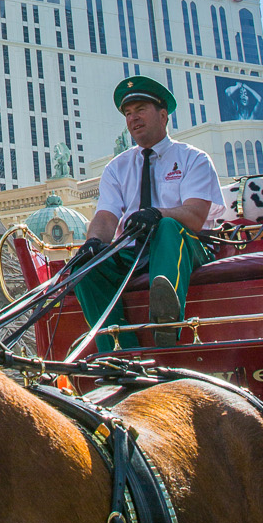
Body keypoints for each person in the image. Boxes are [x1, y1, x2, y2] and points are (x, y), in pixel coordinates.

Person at [70, 75, 223, 351]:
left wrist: (157, 213)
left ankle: (165, 321)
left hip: (187, 246)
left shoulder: (193, 158)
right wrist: (93, 242)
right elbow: (105, 217)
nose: (133, 118)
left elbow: (195, 216)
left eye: (140, 110)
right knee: (85, 265)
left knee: (166, 226)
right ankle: (119, 352)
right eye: (128, 113)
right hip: (135, 252)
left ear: (163, 115)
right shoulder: (117, 168)